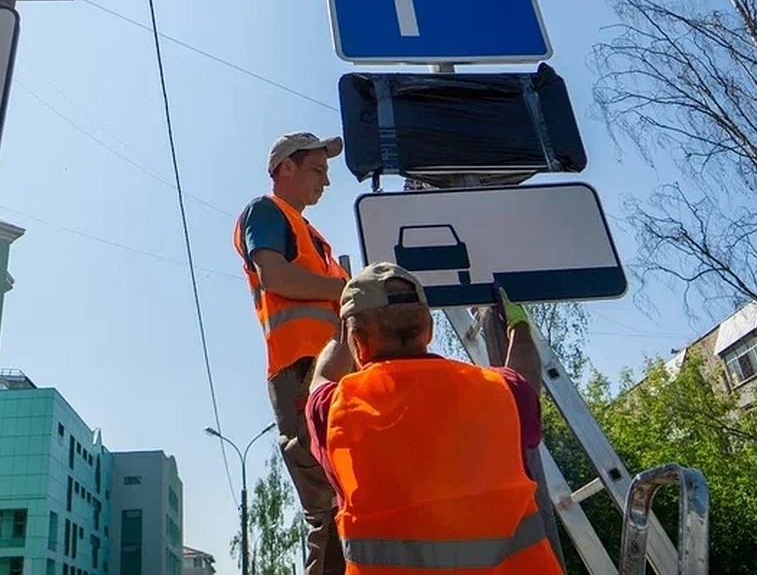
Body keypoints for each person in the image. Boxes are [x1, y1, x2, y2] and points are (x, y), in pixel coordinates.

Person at [305, 263, 563, 574]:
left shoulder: (336, 410)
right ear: (429, 329)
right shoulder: (499, 391)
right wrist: (519, 326)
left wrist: (340, 335)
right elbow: (526, 379)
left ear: (357, 340)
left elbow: (321, 379)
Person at [234, 132, 350, 575]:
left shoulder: (311, 235)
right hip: (301, 369)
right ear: (287, 168)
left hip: (325, 370)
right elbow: (276, 277)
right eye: (318, 170)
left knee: (345, 495)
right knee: (327, 502)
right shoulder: (265, 212)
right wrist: (346, 288)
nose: (326, 181)